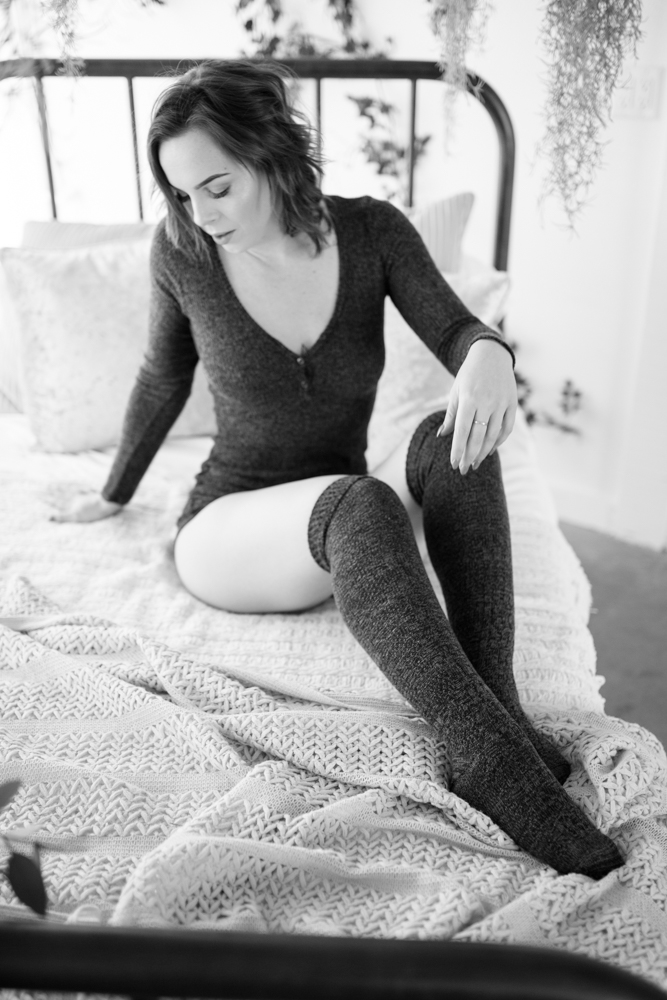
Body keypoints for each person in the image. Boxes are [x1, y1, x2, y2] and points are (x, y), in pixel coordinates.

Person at [53, 59, 623, 879]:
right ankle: (486, 754)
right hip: (230, 528)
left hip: (346, 511)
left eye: (217, 186)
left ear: (271, 152)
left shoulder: (371, 232)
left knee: (447, 437)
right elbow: (160, 379)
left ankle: (497, 711)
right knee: (357, 503)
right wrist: (113, 495)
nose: (200, 213)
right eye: (181, 194)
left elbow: (456, 329)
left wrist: (488, 353)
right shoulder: (183, 254)